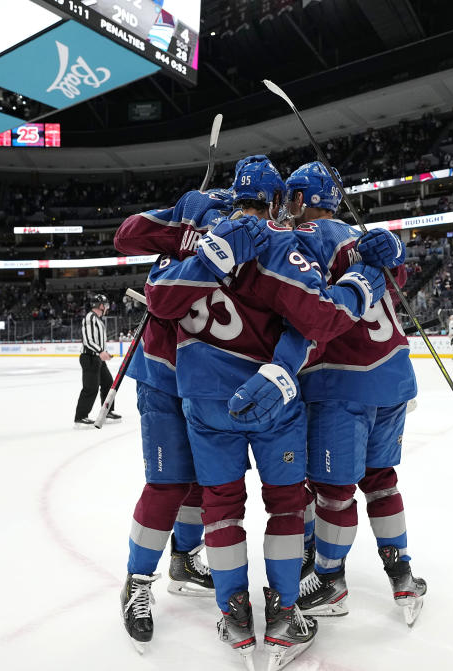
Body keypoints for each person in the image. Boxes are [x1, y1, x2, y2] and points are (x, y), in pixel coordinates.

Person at [145, 156, 385, 671]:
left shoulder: (198, 234)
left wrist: (198, 241)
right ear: (279, 201)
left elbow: (156, 296)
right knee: (284, 505)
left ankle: (234, 614)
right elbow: (321, 318)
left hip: (204, 402)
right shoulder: (281, 242)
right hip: (271, 398)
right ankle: (282, 618)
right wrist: (366, 278)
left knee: (221, 506)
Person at [248, 162, 425, 626]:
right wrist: (397, 255)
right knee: (382, 479)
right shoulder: (359, 238)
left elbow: (310, 317)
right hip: (394, 376)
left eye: (290, 200)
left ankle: (330, 581)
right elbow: (395, 280)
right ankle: (401, 572)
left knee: (333, 493)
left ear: (301, 201)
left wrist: (282, 367)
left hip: (342, 383)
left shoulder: (307, 240)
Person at [111, 187, 238, 651]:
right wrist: (184, 228)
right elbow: (127, 235)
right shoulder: (180, 239)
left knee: (203, 483)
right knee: (167, 482)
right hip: (164, 377)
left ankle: (184, 559)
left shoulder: (245, 233)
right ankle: (137, 580)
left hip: (208, 382)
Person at [74, 293, 121, 425]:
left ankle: (107, 412)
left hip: (97, 358)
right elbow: (88, 340)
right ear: (100, 305)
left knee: (108, 383)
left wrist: (103, 352)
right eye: (105, 305)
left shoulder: (97, 319)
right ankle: (80, 417)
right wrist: (101, 351)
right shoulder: (90, 318)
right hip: (89, 357)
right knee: (90, 387)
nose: (107, 307)